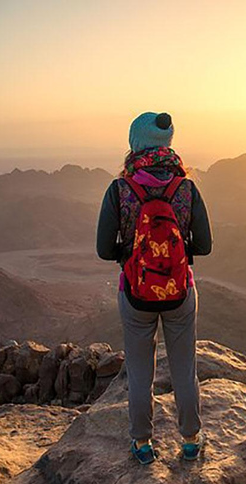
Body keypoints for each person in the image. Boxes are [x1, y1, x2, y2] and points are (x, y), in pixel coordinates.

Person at [96, 111, 212, 465]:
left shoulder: (121, 189)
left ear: (135, 143)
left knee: (140, 371)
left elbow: (103, 249)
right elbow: (204, 245)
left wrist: (130, 256)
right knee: (183, 370)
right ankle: (190, 440)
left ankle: (142, 445)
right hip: (179, 293)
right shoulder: (186, 188)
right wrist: (174, 254)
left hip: (135, 293)